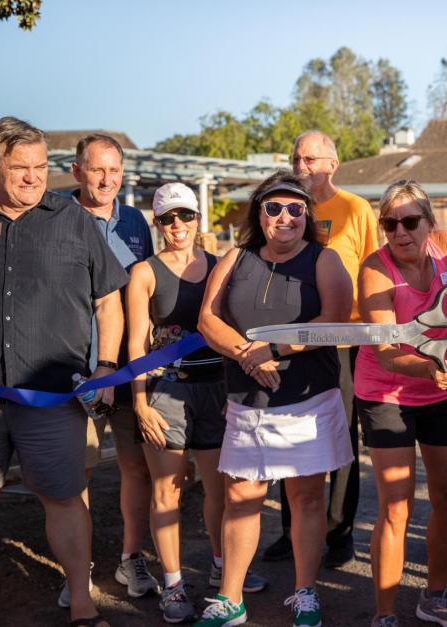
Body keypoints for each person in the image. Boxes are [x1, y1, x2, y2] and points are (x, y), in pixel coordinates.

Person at [0, 117, 129, 627]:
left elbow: (109, 302)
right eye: (21, 168)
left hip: (52, 397)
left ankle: (81, 604)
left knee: (64, 500)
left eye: (41, 167)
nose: (34, 178)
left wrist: (104, 368)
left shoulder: (73, 220)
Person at [197, 173, 354, 627]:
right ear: (258, 214)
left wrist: (278, 349)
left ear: (307, 216)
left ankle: (305, 593)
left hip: (307, 399)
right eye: (273, 208)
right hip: (247, 398)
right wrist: (248, 354)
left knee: (305, 498)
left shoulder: (324, 260)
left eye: (295, 210)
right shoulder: (235, 257)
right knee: (241, 495)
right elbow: (208, 319)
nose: (284, 218)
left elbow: (336, 322)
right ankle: (230, 599)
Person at [356, 180, 447, 627]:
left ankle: (435, 597)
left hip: (444, 387)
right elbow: (386, 351)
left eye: (411, 221)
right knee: (396, 504)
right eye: (390, 224)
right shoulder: (375, 269)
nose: (400, 232)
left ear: (430, 223)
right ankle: (385, 613)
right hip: (387, 390)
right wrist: (429, 367)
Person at [263, 130, 378, 569]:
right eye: (296, 159)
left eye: (310, 159)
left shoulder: (354, 209)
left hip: (344, 342)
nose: (301, 166)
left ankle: (339, 531)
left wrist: (374, 337)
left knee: (341, 437)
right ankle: (292, 531)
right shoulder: (283, 211)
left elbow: (372, 272)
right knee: (291, 434)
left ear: (333, 163)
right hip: (291, 341)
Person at [126, 183, 236, 623]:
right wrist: (139, 403)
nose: (177, 226)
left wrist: (236, 394)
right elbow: (136, 342)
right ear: (157, 222)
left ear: (197, 219)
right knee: (166, 491)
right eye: (168, 218)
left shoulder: (218, 267)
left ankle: (221, 567)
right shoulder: (144, 273)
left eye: (185, 216)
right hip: (166, 394)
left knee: (219, 489)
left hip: (216, 390)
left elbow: (234, 333)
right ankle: (172, 584)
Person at [67, 134, 158, 606]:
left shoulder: (136, 222)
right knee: (76, 474)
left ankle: (130, 557)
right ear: (77, 171)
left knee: (134, 468)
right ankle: (76, 570)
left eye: (115, 170)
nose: (107, 180)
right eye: (97, 170)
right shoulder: (55, 215)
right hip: (72, 369)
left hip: (124, 369)